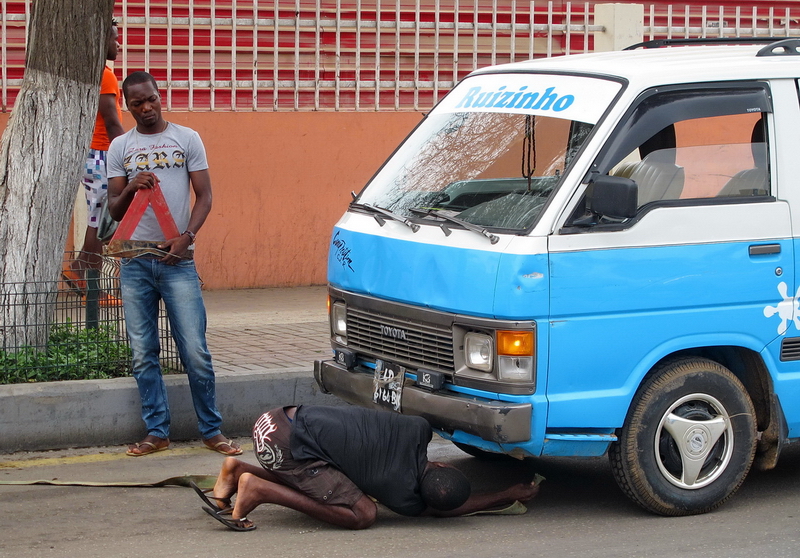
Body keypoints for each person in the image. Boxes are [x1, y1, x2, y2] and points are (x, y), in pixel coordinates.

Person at [106, 71, 241, 458]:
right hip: (134, 262)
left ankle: (212, 430)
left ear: (159, 96)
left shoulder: (186, 138)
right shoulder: (121, 147)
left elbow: (205, 196)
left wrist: (187, 237)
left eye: (151, 99)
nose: (146, 108)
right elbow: (115, 209)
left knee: (195, 349)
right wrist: (132, 185)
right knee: (142, 351)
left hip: (177, 260)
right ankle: (157, 432)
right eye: (137, 103)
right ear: (127, 107)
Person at [195, 405, 541, 531]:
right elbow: (441, 511)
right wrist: (505, 494)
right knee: (362, 512)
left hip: (275, 420)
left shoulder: (417, 429)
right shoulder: (403, 497)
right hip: (285, 448)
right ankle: (258, 490)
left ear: (437, 462)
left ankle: (237, 472)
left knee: (325, 474)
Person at [64, 19, 125, 306]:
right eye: (115, 38)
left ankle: (80, 269)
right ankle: (91, 283)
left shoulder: (91, 72)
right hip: (102, 152)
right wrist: (128, 153)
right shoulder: (105, 75)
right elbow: (112, 122)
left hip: (93, 152)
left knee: (97, 218)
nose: (119, 44)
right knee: (102, 220)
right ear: (100, 41)